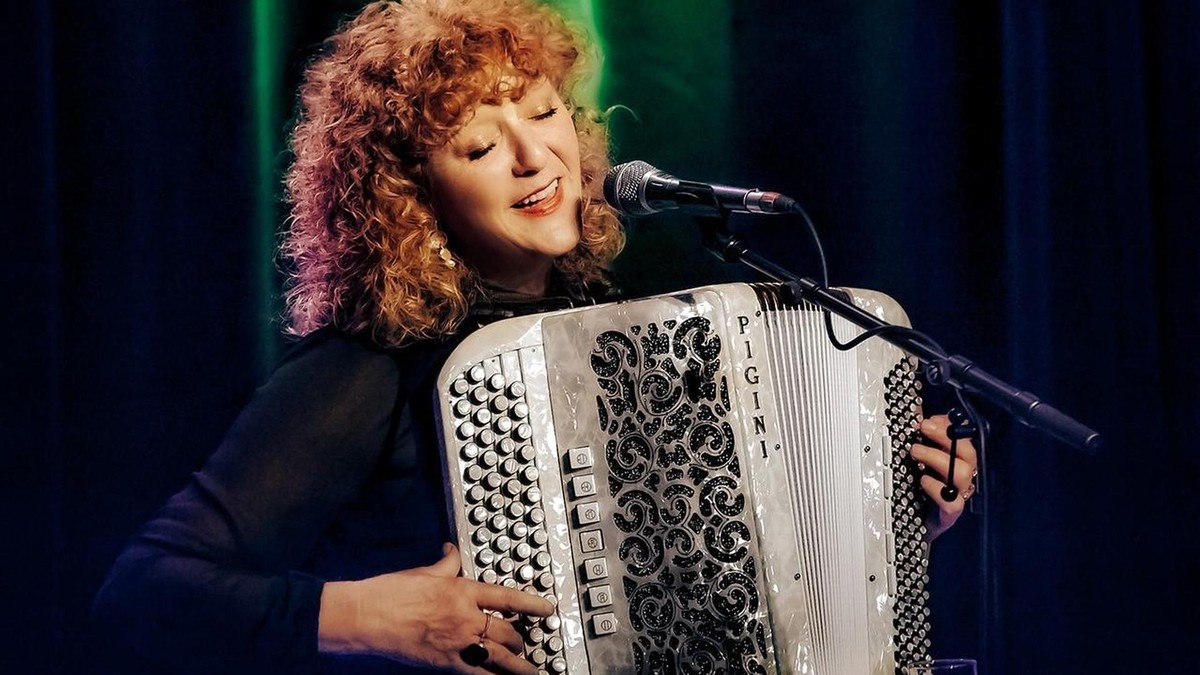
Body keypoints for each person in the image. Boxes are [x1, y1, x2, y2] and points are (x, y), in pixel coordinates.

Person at [93, 1, 978, 673]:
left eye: (543, 113)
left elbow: (719, 584)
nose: (534, 158)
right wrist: (368, 616)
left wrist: (891, 510)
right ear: (411, 197)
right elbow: (142, 590)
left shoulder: (620, 329)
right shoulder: (368, 366)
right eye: (479, 147)